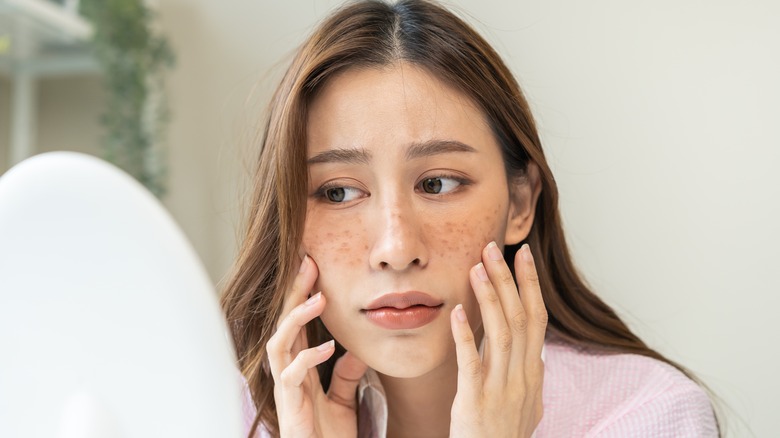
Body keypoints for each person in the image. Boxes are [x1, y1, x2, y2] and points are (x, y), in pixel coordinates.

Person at [220, 1, 720, 436]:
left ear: (521, 203)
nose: (396, 248)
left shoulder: (646, 415)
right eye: (339, 191)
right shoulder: (223, 415)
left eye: (437, 184)